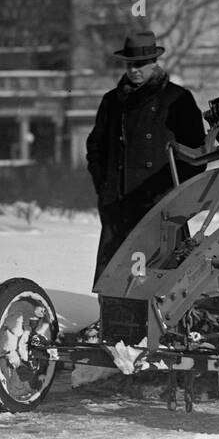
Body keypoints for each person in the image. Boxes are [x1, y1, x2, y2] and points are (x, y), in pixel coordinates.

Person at [86, 31, 205, 283]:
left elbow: (197, 153)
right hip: (119, 204)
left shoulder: (178, 99)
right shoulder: (112, 101)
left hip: (161, 205)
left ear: (155, 63)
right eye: (130, 64)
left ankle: (170, 319)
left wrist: (176, 194)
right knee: (114, 271)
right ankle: (109, 318)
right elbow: (95, 147)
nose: (134, 70)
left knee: (165, 272)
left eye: (140, 64)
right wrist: (105, 186)